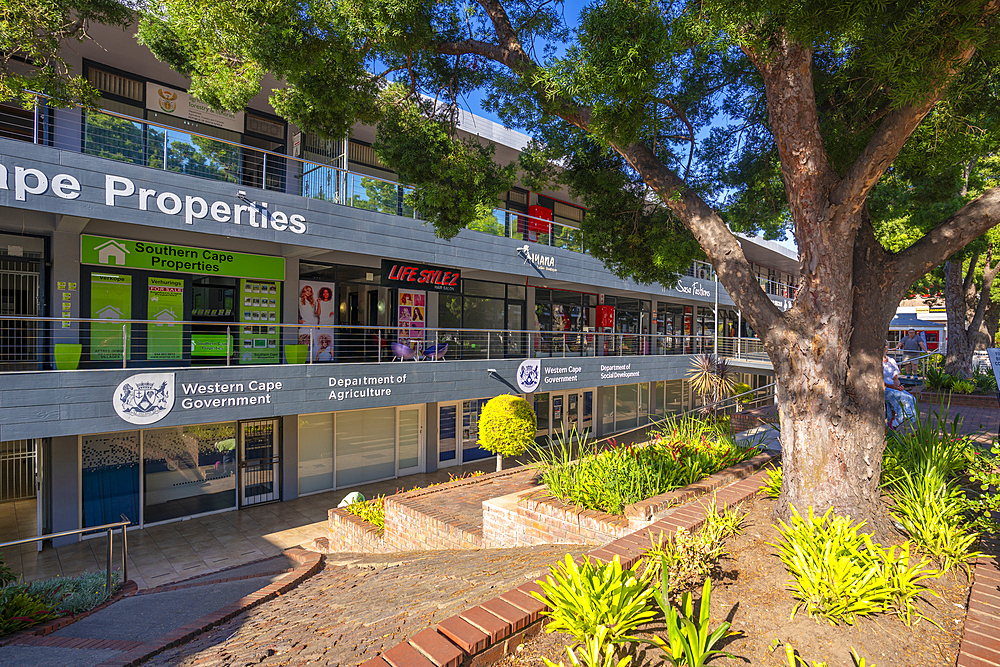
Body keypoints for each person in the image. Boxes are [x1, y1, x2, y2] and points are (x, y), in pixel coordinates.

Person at [884, 343, 917, 428]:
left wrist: (898, 386)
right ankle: (899, 420)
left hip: (893, 387)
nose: (884, 347)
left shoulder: (891, 360)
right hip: (883, 388)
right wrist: (892, 387)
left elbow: (895, 378)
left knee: (912, 398)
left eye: (886, 345)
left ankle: (907, 419)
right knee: (901, 398)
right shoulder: (876, 362)